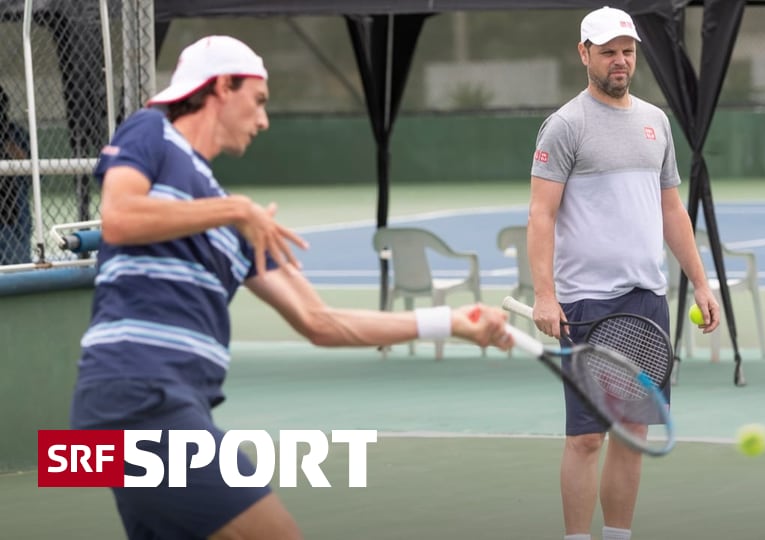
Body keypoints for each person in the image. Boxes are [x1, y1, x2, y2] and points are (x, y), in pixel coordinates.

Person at [69, 35, 512, 540]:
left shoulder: (231, 219)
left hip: (161, 401)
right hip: (142, 395)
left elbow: (321, 322)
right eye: (257, 101)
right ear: (221, 87)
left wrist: (451, 323)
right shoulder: (153, 131)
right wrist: (238, 209)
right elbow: (120, 218)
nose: (264, 121)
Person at [527, 8, 721, 540]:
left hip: (647, 303)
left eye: (627, 51)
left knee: (632, 431)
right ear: (584, 53)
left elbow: (672, 212)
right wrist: (546, 295)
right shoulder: (566, 125)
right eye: (608, 51)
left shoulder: (656, 122)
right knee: (587, 439)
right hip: (585, 304)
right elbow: (540, 215)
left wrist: (701, 283)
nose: (620, 60)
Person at [0, 83, 32, 265]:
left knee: (17, 265)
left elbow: (36, 176)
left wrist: (18, 155)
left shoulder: (14, 134)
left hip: (13, 216)